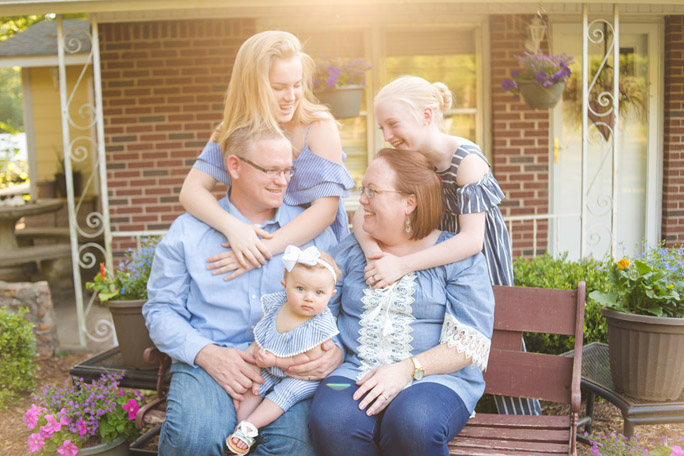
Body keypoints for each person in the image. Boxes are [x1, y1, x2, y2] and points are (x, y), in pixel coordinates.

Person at [144, 128, 341, 456]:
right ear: (234, 166)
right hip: (210, 360)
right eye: (271, 171)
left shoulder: (310, 232)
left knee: (295, 448)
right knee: (195, 439)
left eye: (287, 170)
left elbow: (341, 304)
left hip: (289, 368)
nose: (283, 181)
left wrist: (336, 351)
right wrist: (207, 354)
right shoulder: (188, 232)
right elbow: (161, 309)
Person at [358, 75, 541, 416]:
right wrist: (374, 252)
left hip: (475, 259)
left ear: (427, 116)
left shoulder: (466, 162)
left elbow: (472, 240)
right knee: (441, 337)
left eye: (394, 124)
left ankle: (522, 420)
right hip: (434, 260)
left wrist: (400, 265)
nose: (387, 136)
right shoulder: (412, 159)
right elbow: (360, 215)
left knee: (498, 342)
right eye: (382, 127)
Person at [309, 149, 496, 456]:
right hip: (357, 370)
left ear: (409, 203)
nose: (363, 200)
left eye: (373, 191)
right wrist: (330, 348)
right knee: (332, 419)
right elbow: (320, 310)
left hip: (435, 378)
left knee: (414, 420)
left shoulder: (457, 258)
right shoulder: (354, 250)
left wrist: (407, 369)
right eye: (362, 189)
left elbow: (470, 343)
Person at [179, 30, 354, 280]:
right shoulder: (232, 131)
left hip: (312, 262)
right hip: (255, 246)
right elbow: (191, 191)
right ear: (252, 86)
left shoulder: (319, 127)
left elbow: (325, 211)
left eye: (296, 85)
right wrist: (234, 229)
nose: (290, 97)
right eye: (278, 87)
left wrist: (261, 251)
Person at [227, 245, 342, 455]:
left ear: (331, 294)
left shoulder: (319, 324)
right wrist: (256, 352)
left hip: (302, 376)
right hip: (270, 364)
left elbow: (307, 360)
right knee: (253, 386)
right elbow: (263, 329)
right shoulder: (278, 305)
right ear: (285, 286)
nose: (309, 298)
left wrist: (276, 362)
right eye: (300, 289)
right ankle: (239, 425)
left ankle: (251, 426)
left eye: (319, 293)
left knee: (284, 393)